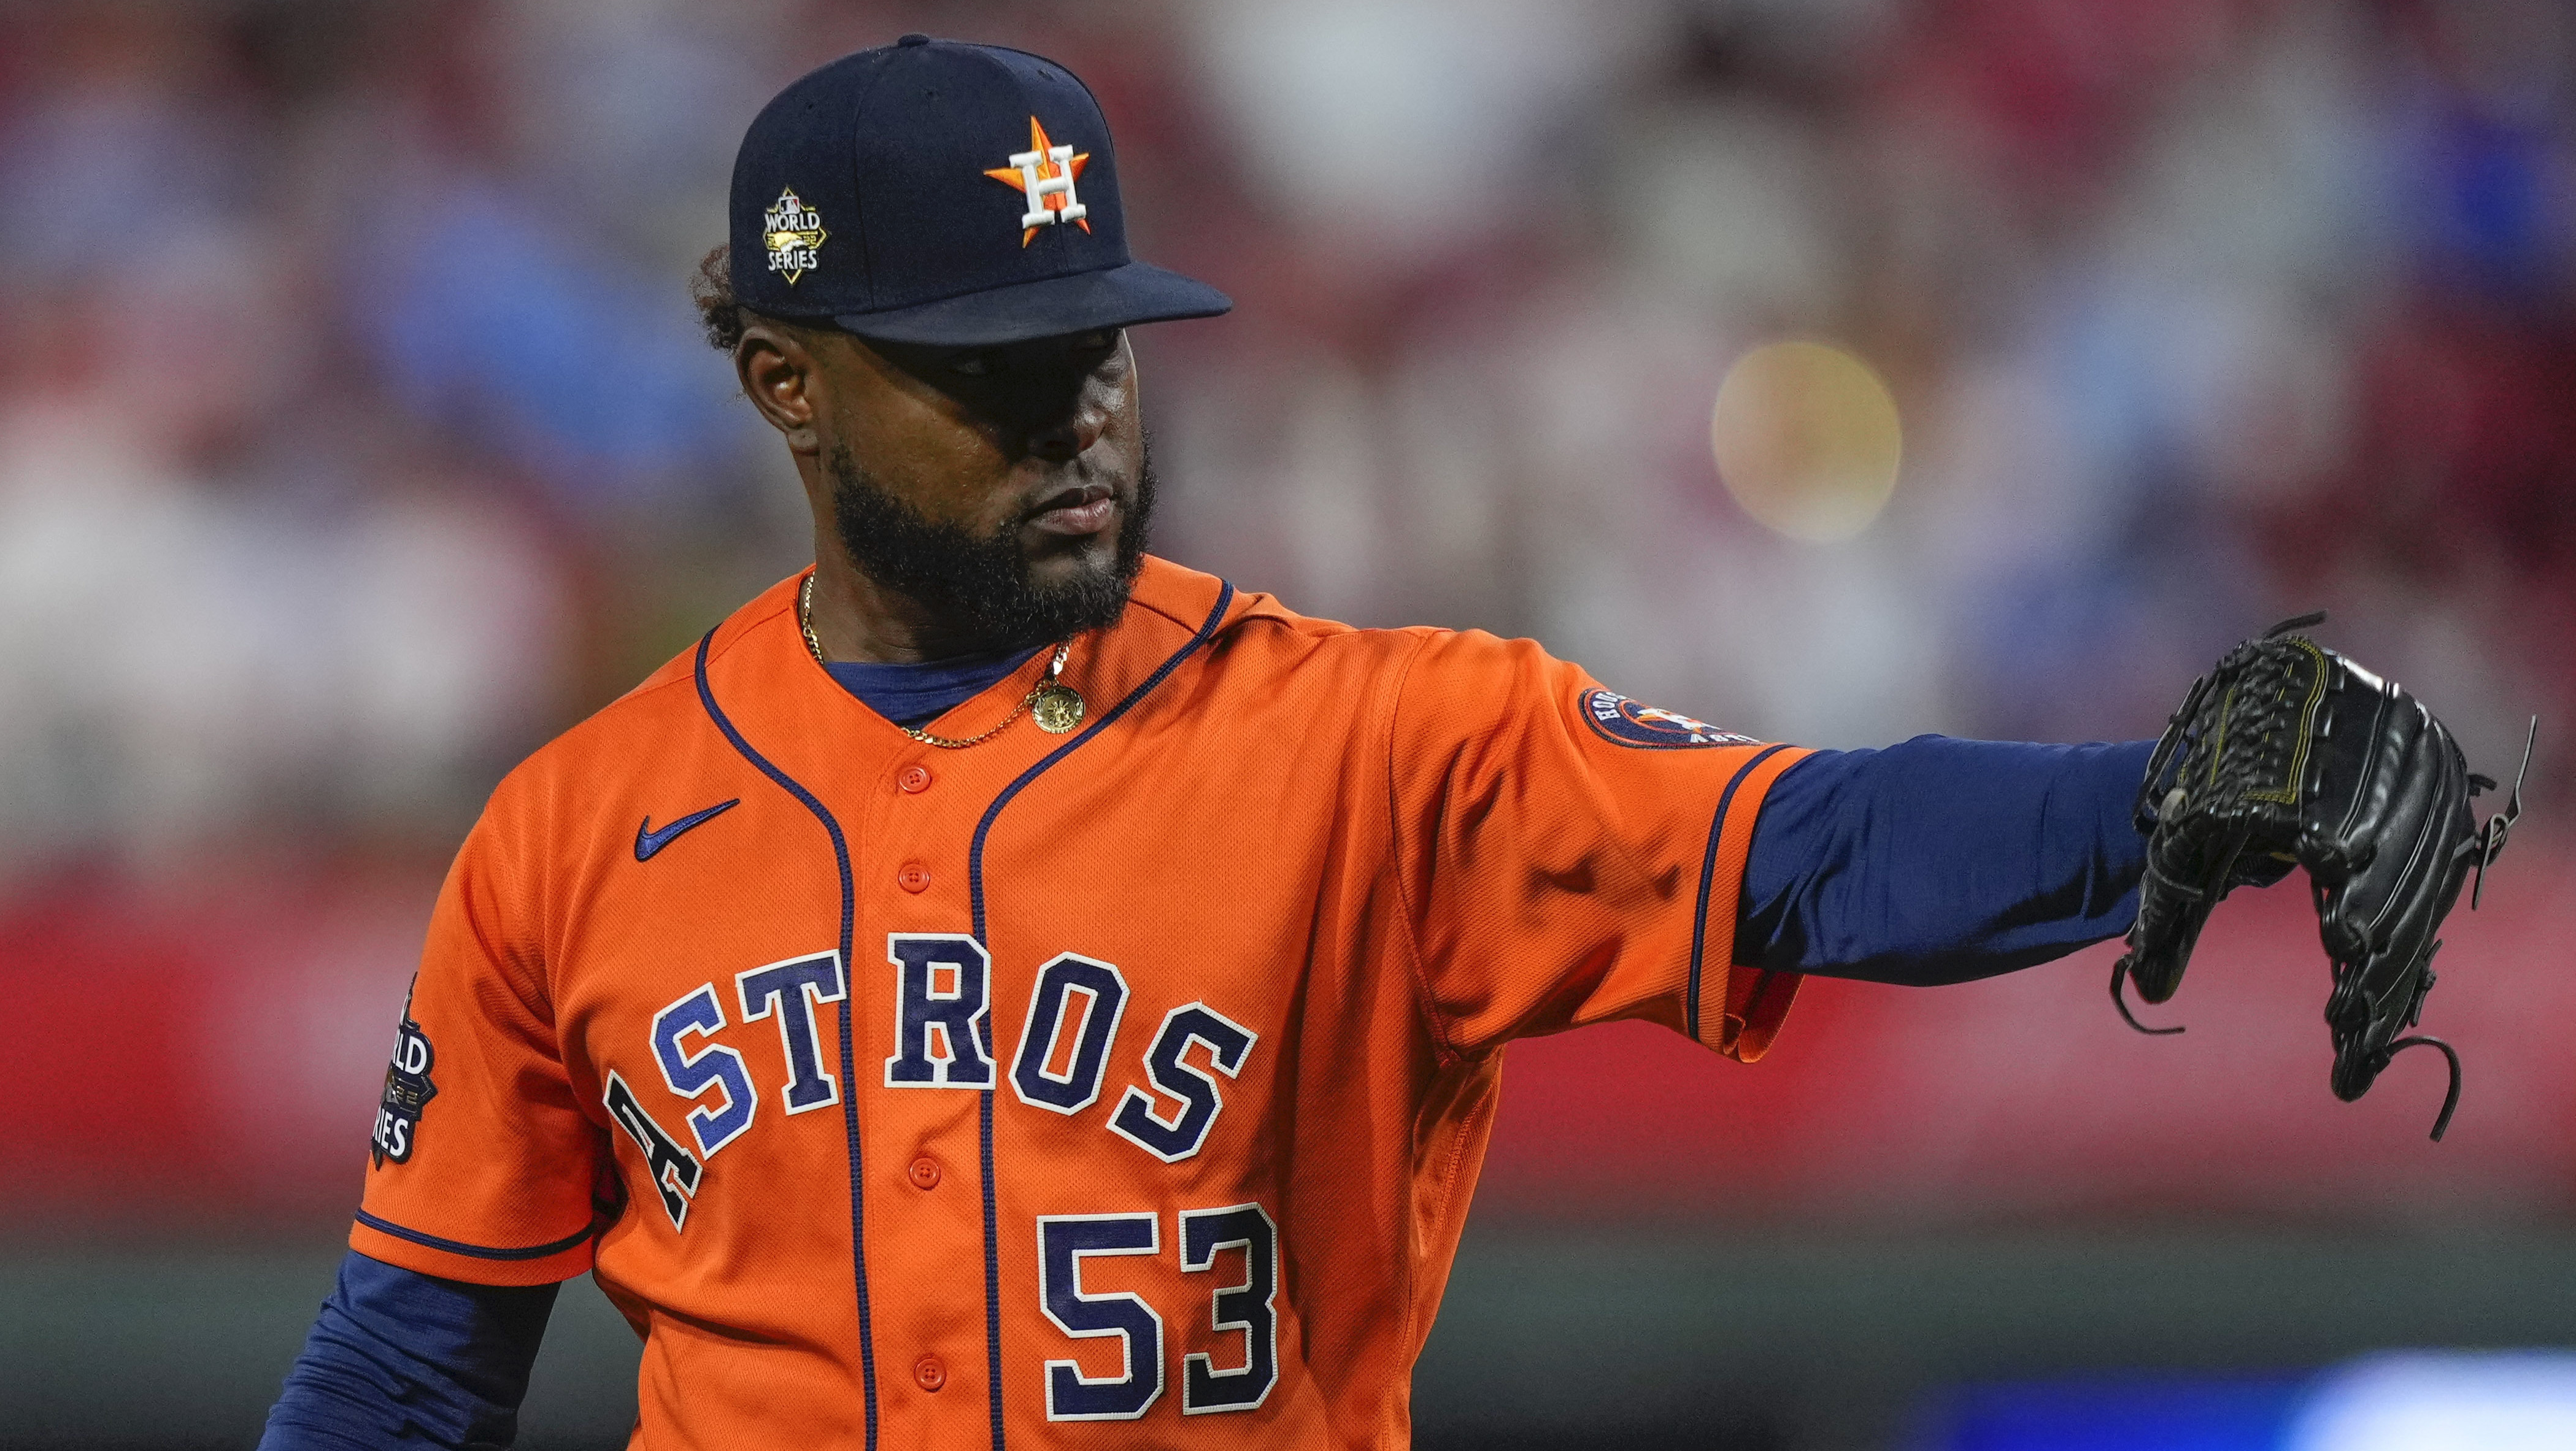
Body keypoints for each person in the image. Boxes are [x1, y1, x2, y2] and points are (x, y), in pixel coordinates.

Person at [258, 36, 2247, 1450]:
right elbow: (411, 1370)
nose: (1082, 420)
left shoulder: (1374, 743)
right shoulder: (573, 831)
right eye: (994, 372)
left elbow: (1817, 844)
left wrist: (2174, 800)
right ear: (789, 382)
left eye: (1099, 347)